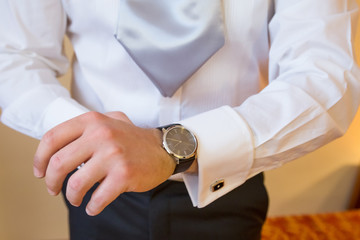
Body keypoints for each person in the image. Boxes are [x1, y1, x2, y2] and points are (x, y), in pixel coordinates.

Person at [1, 0, 360, 239]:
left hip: (227, 185)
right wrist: (91, 138)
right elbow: (14, 56)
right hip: (96, 185)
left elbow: (327, 76)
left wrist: (170, 148)